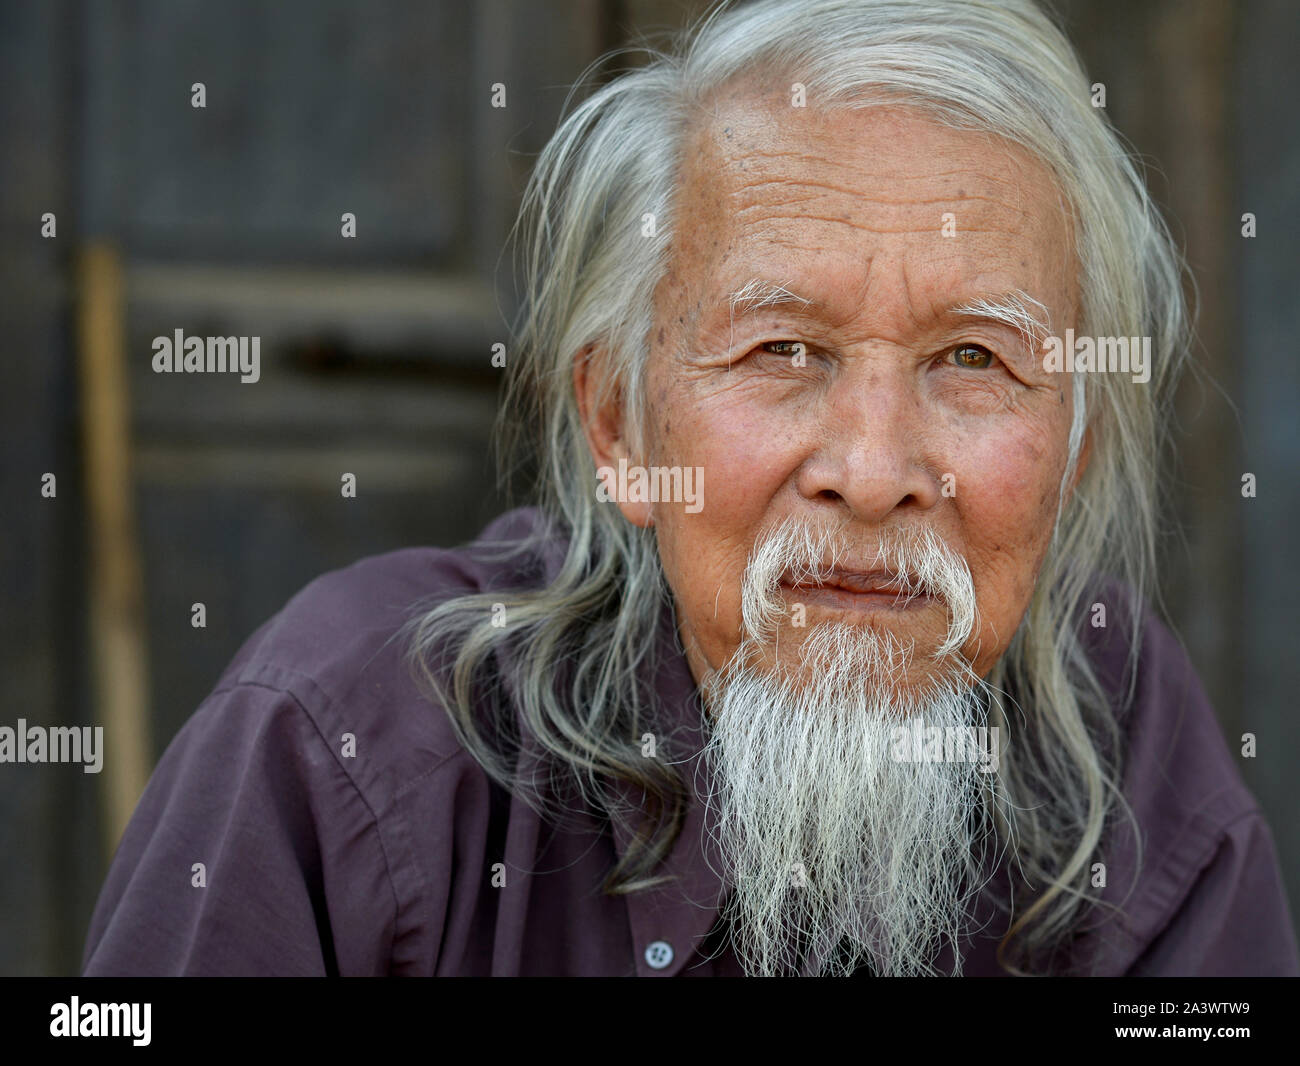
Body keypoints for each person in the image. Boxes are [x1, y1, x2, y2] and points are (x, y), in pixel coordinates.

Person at [83, 0, 1299, 976]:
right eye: (781, 350)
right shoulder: (342, 745)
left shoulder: (1122, 752)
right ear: (616, 424)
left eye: (973, 358)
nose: (871, 475)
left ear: (1072, 445)